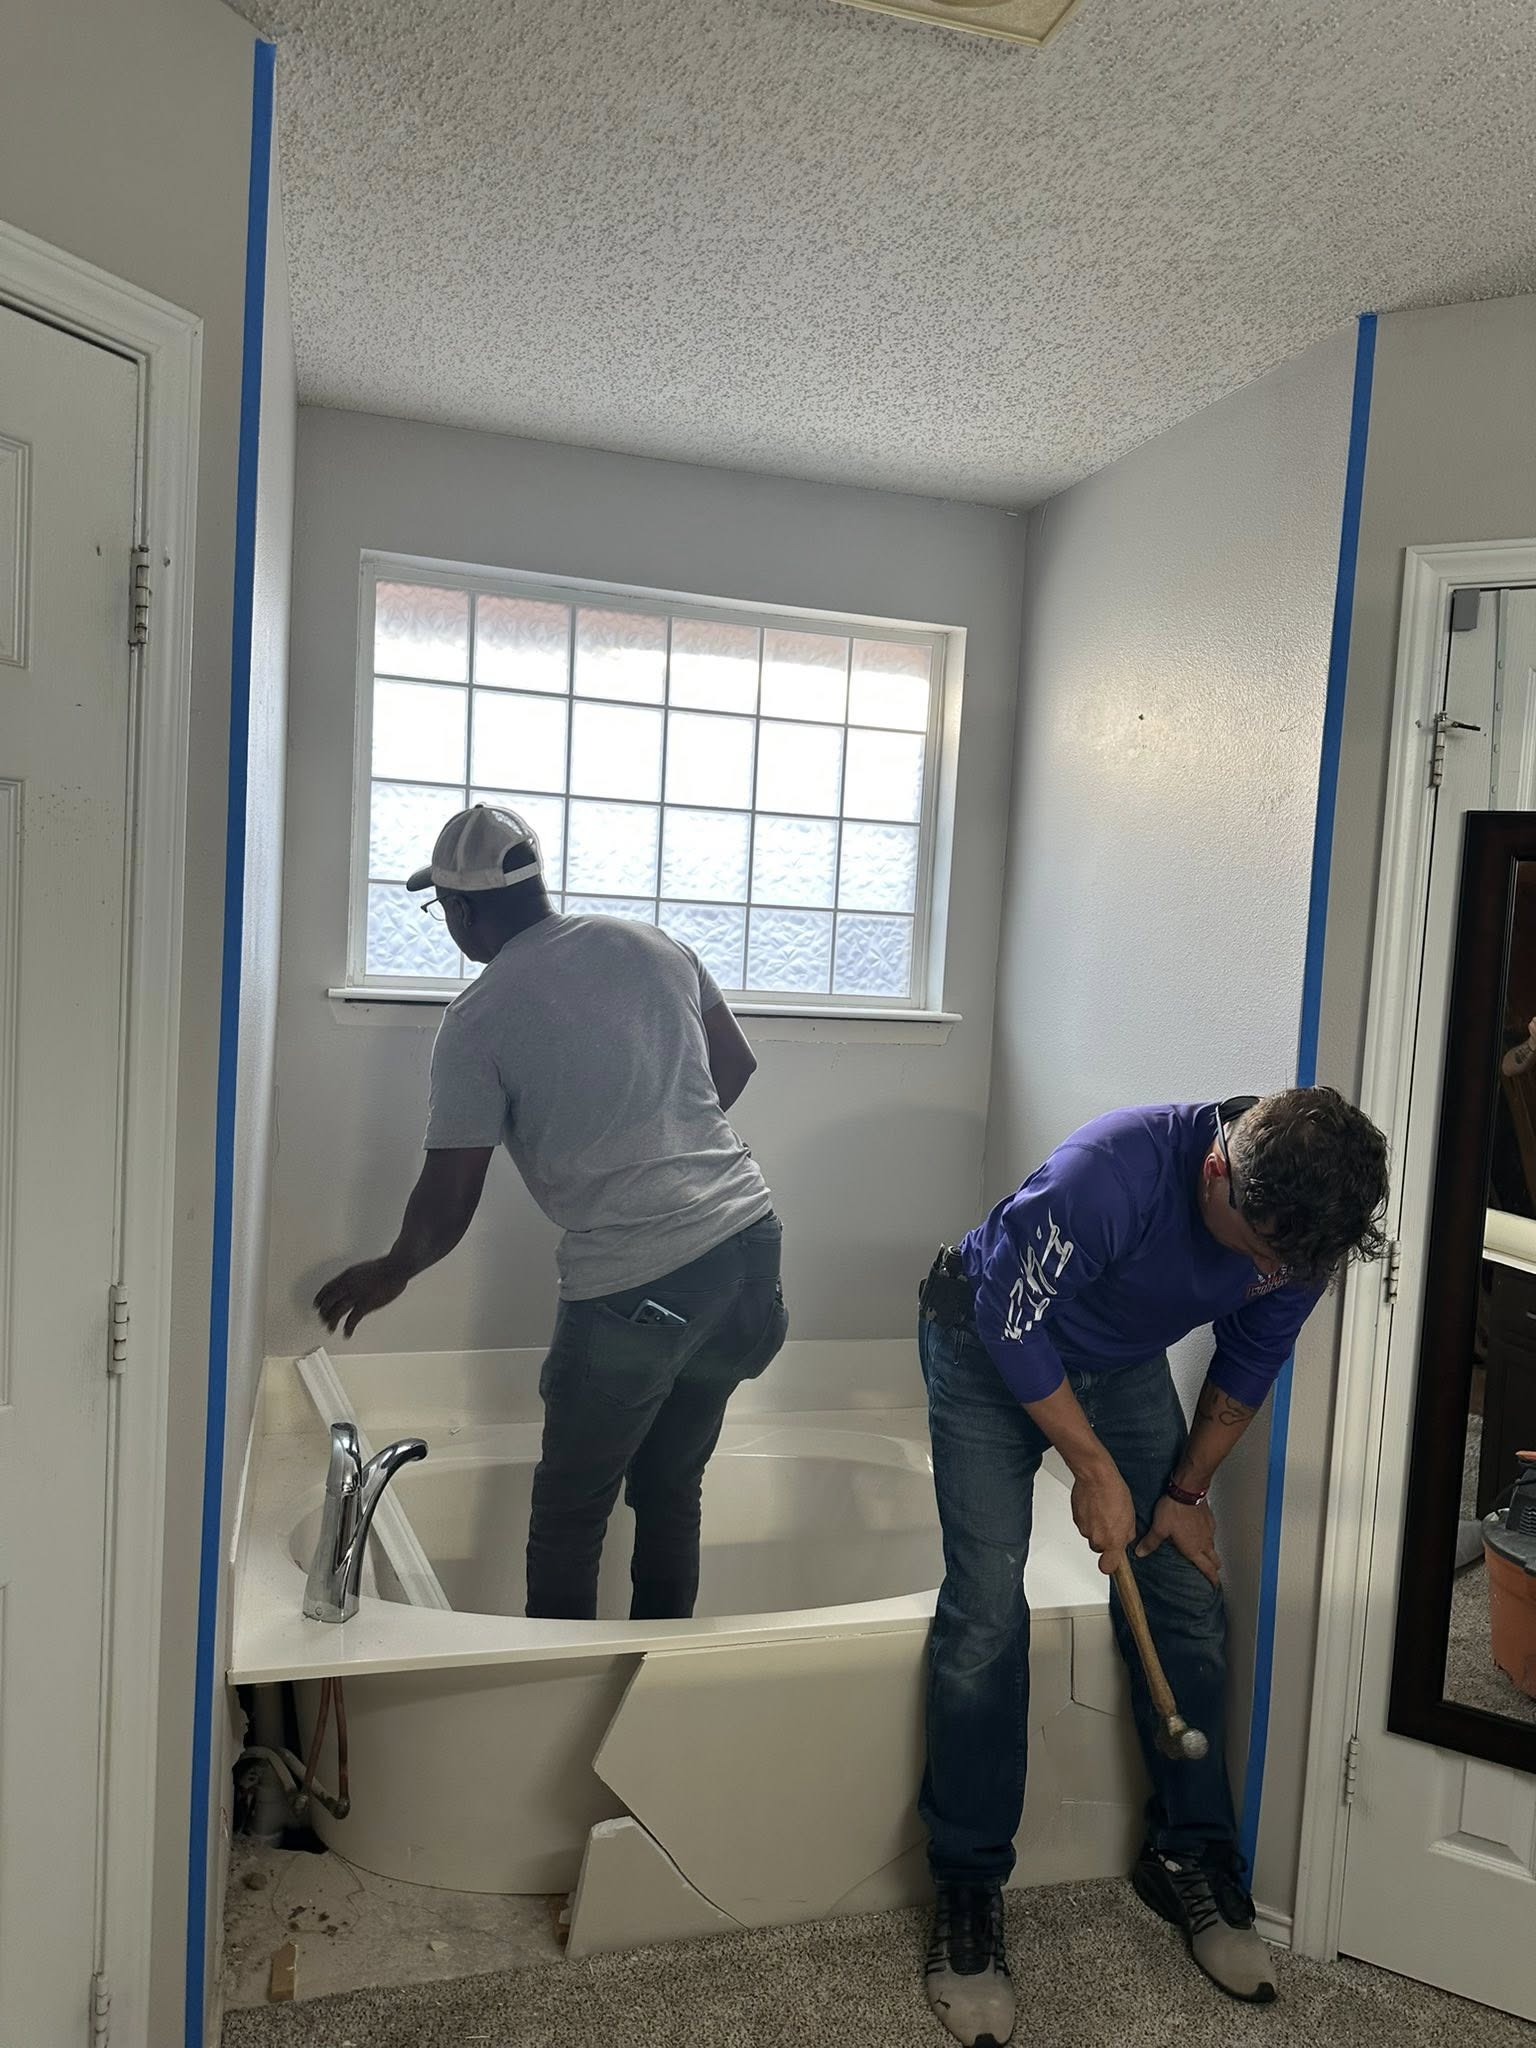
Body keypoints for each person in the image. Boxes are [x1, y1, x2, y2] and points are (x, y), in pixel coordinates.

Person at [917, 1089, 1389, 2045]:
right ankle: (968, 1885)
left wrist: (1184, 1493)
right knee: (987, 1611)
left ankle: (1189, 1856)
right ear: (1217, 1172)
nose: (1269, 1273)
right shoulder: (1109, 1176)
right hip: (984, 1341)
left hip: (1119, 1362)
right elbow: (1011, 1317)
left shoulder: (1300, 1235)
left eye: (1286, 1265)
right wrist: (1093, 1470)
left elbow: (1251, 1358)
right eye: (1257, 1252)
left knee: (1183, 1591)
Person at [316, 804, 787, 1622]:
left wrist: (394, 1268)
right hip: (748, 1253)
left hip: (637, 1288)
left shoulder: (479, 1017)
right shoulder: (652, 943)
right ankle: (658, 1666)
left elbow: (451, 1192)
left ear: (462, 910)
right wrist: (662, 1136)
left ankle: (559, 1682)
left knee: (570, 1515)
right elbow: (735, 1064)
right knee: (671, 1486)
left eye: (442, 909)